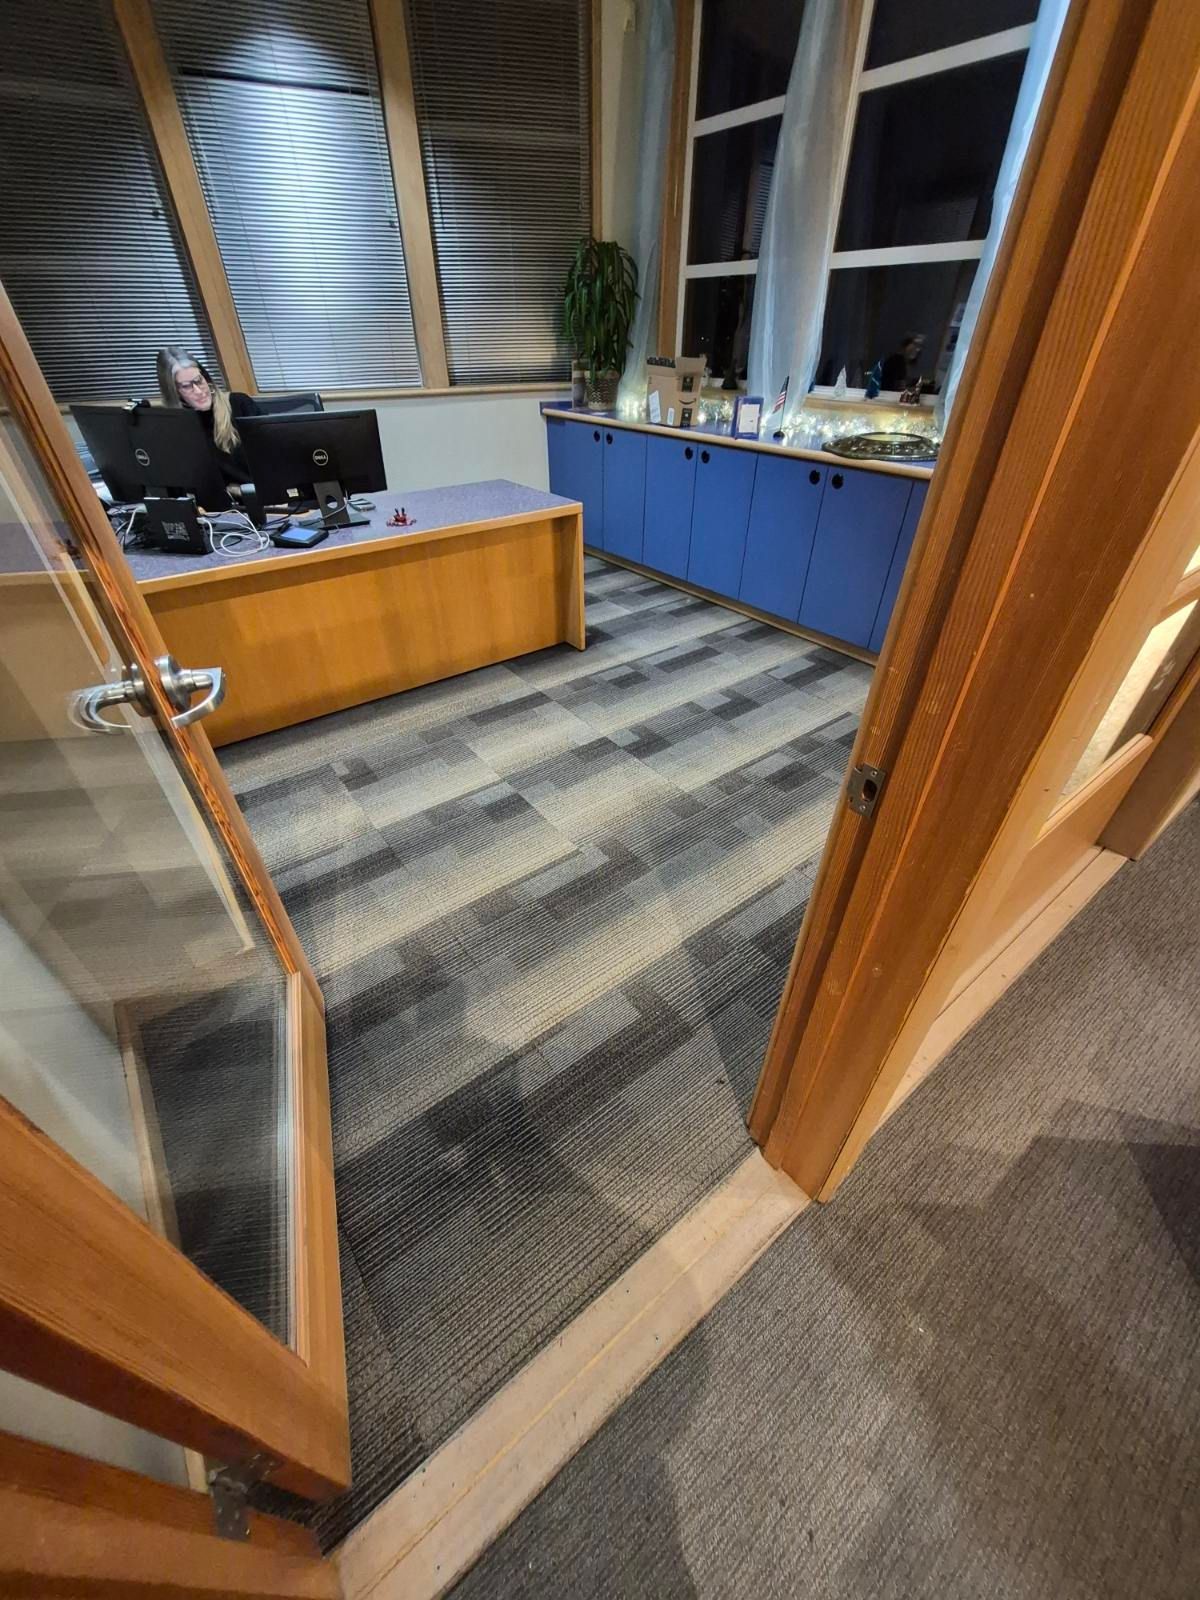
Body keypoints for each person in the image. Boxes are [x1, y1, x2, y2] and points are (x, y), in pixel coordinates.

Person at [156, 347, 260, 484]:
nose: (198, 391)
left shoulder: (239, 405)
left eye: (199, 380)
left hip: (256, 497)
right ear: (175, 393)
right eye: (187, 386)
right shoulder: (173, 426)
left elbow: (272, 456)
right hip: (214, 502)